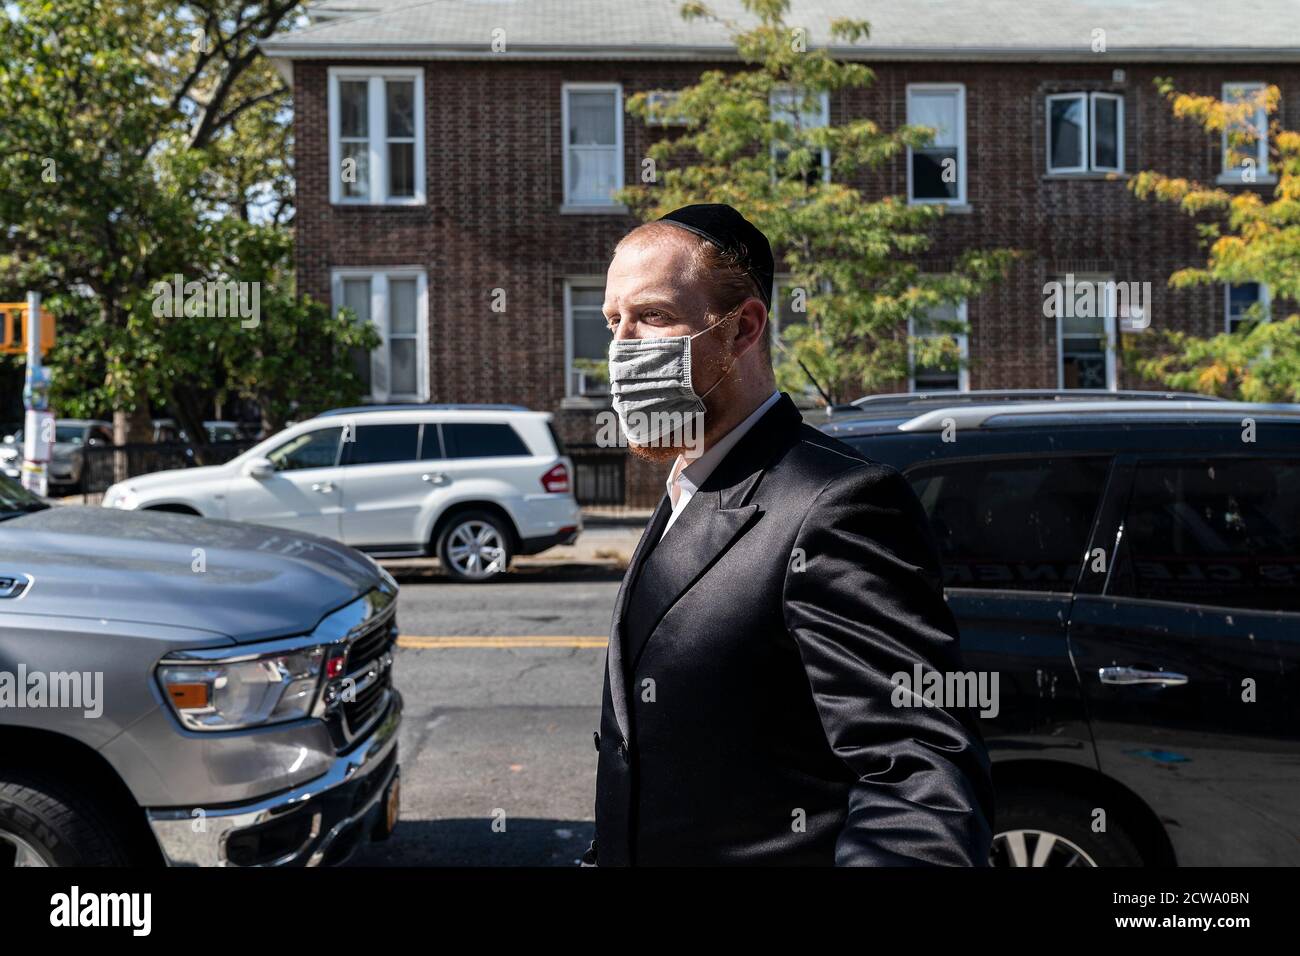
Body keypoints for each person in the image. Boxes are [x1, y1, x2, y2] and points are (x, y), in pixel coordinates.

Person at [582, 203, 994, 866]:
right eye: (613, 321)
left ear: (742, 329)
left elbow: (917, 784)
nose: (622, 348)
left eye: (653, 316)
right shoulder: (693, 483)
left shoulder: (839, 505)